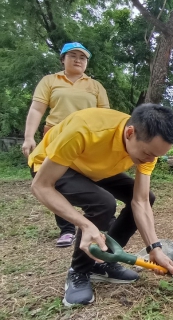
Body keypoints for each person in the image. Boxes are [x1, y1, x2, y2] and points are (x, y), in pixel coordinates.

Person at [28, 104, 173, 307]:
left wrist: (154, 248)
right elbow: (41, 186)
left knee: (148, 197)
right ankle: (79, 271)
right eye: (148, 153)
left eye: (156, 156)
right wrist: (85, 225)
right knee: (103, 203)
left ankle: (103, 262)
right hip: (50, 166)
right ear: (130, 133)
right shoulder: (84, 130)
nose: (150, 160)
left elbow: (141, 201)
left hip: (95, 169)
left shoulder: (147, 148)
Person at [21, 42, 110, 247]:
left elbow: (105, 116)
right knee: (57, 183)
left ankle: (93, 222)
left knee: (84, 184)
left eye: (83, 57)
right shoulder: (50, 81)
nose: (78, 60)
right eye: (73, 55)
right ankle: (67, 229)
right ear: (63, 59)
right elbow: (36, 109)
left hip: (86, 142)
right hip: (55, 138)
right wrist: (29, 137)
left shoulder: (95, 86)